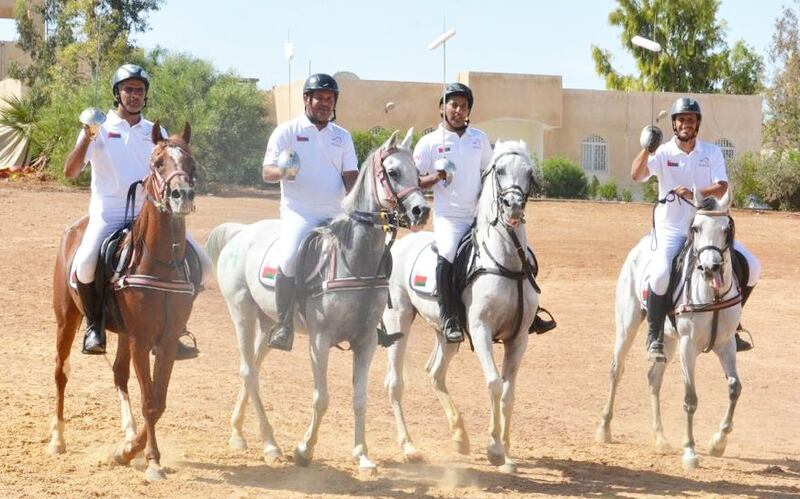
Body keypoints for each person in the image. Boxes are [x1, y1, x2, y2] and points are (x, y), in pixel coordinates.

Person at [64, 63, 211, 359]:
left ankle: (175, 328)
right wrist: (87, 137)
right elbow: (70, 171)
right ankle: (95, 325)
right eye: (128, 89)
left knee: (203, 264)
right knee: (86, 264)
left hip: (151, 211)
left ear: (145, 96)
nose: (134, 95)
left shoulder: (154, 132)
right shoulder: (100, 127)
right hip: (109, 212)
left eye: (140, 90)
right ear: (117, 93)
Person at [414, 82, 556, 343]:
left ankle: (529, 314)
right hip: (450, 218)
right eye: (453, 105)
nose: (458, 110)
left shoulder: (478, 139)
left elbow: (490, 175)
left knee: (525, 254)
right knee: (446, 255)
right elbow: (413, 181)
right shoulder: (429, 142)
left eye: (464, 106)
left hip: (481, 215)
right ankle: (449, 317)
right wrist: (436, 176)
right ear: (442, 108)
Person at [632, 97, 761, 362]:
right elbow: (636, 175)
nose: (685, 124)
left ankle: (733, 326)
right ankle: (655, 335)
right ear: (674, 124)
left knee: (753, 266)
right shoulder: (663, 152)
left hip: (707, 227)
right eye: (681, 119)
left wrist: (695, 193)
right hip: (672, 227)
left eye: (690, 119)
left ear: (697, 123)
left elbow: (722, 186)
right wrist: (647, 148)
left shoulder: (711, 152)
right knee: (659, 275)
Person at [262, 73, 359, 351]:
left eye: (330, 99)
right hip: (299, 211)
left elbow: (350, 175)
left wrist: (357, 204)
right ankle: (283, 325)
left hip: (336, 212)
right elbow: (267, 171)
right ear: (307, 99)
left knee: (367, 250)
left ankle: (370, 319)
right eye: (320, 98)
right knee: (290, 257)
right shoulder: (287, 131)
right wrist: (283, 171)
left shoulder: (342, 136)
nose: (325, 104)